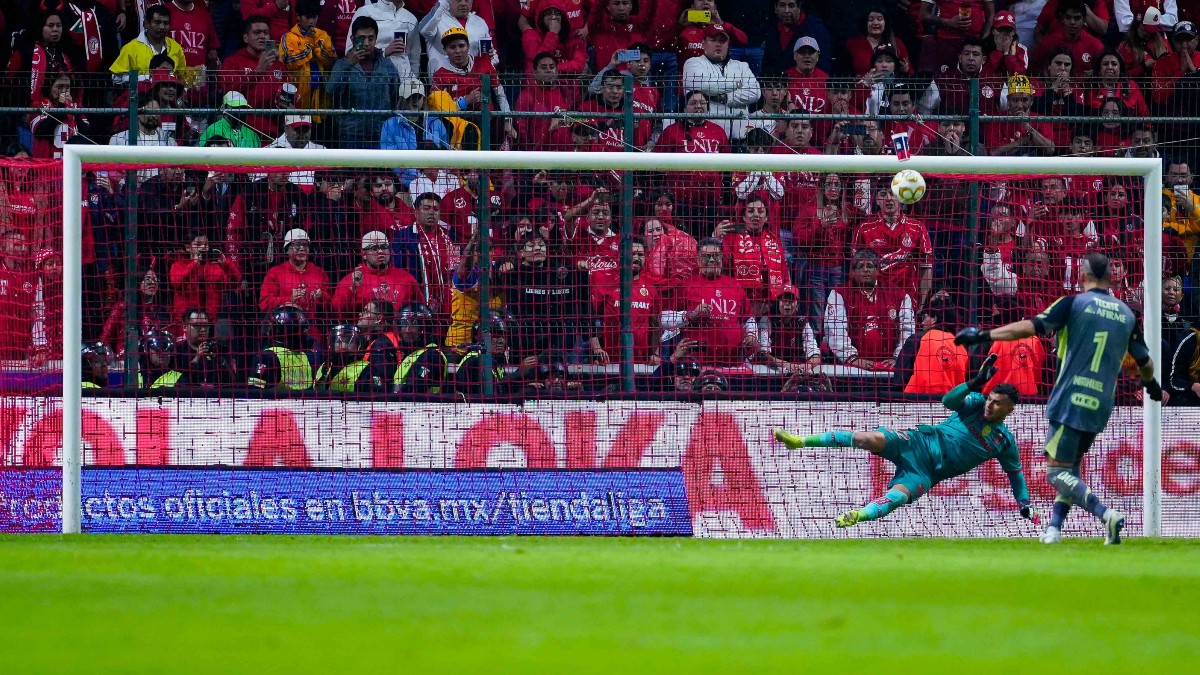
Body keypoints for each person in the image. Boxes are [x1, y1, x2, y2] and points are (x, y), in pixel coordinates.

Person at [955, 252, 1164, 544]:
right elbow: (1144, 361)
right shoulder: (1127, 314)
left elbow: (1028, 327)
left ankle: (1106, 514)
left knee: (1055, 473)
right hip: (1102, 404)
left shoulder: (1073, 303)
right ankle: (1053, 529)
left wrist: (983, 335)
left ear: (1082, 276)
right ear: (1110, 277)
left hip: (1070, 399)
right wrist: (1150, 383)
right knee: (1070, 469)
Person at [773, 358, 1039, 529]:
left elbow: (1015, 474)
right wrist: (973, 384)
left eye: (997, 403)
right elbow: (948, 401)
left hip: (927, 472)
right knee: (866, 438)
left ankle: (857, 515)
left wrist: (1024, 502)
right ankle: (800, 441)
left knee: (898, 497)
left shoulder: (1005, 442)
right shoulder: (976, 403)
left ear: (1009, 409)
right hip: (918, 441)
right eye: (990, 399)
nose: (990, 405)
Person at [670, 237, 758, 366]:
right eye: (707, 256)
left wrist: (751, 334)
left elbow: (748, 318)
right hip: (697, 364)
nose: (712, 260)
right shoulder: (686, 286)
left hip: (733, 362)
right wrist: (691, 314)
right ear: (698, 259)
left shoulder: (735, 286)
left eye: (716, 256)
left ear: (722, 258)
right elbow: (665, 319)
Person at [824, 250, 915, 372]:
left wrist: (898, 358)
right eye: (861, 266)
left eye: (870, 266)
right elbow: (835, 330)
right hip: (852, 369)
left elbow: (908, 330)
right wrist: (852, 358)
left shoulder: (898, 295)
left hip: (890, 367)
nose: (865, 270)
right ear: (853, 272)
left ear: (877, 270)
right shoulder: (839, 294)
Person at [328, 16, 401, 149]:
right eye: (362, 38)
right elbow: (331, 91)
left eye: (371, 38)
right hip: (351, 133)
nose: (366, 43)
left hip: (381, 132)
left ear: (376, 39)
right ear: (353, 39)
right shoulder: (342, 64)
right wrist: (348, 64)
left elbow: (395, 94)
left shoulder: (386, 65)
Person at [682, 24, 760, 142]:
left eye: (722, 41)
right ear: (703, 43)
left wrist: (725, 98)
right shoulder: (693, 63)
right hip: (708, 139)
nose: (718, 44)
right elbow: (703, 85)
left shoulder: (741, 66)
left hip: (740, 138)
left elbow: (755, 93)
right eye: (713, 40)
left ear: (728, 45)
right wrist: (737, 83)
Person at [331, 231, 423, 319]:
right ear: (364, 254)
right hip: (366, 330)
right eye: (374, 248)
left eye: (384, 247)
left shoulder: (406, 278)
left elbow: (421, 309)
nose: (380, 251)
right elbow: (338, 312)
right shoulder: (352, 279)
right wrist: (352, 288)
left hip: (399, 329)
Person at [367, 301, 448, 393]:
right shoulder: (410, 353)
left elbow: (414, 389)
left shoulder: (431, 355)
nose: (407, 330)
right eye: (404, 324)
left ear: (425, 327)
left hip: (418, 402)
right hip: (398, 401)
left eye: (414, 325)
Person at [895, 300, 970, 394]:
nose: (922, 323)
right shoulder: (961, 347)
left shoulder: (918, 339)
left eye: (925, 317)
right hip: (951, 401)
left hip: (917, 400)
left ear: (934, 318)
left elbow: (901, 377)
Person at [280, 0, 338, 115]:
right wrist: (309, 45)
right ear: (298, 16)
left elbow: (333, 61)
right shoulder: (288, 37)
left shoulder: (323, 35)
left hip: (320, 92)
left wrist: (317, 48)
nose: (311, 21)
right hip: (298, 92)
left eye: (314, 17)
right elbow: (289, 61)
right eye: (307, 17)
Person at [259, 228, 330, 319]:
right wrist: (289, 300)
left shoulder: (319, 273)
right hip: (285, 325)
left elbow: (332, 304)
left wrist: (321, 296)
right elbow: (264, 303)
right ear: (287, 249)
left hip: (314, 325)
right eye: (297, 245)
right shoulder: (275, 273)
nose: (302, 248)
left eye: (305, 245)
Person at [109, 4, 186, 85]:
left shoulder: (176, 47)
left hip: (169, 92)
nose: (162, 27)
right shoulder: (131, 48)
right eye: (157, 22)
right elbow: (116, 78)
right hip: (140, 92)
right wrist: (148, 78)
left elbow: (182, 77)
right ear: (146, 23)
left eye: (166, 23)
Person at [345, 0, 421, 79]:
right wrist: (384, 52)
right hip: (370, 80)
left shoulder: (411, 18)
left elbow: (414, 59)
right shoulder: (366, 12)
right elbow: (350, 52)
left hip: (404, 80)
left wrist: (412, 80)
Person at [248, 305, 318, 390]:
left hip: (276, 399)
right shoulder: (306, 357)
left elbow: (254, 391)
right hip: (304, 399)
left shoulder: (267, 357)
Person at [172, 307, 236, 386]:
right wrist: (197, 358)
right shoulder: (177, 352)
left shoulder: (220, 350)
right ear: (185, 327)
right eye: (197, 326)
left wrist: (221, 361)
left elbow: (232, 380)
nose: (203, 330)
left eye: (206, 325)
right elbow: (178, 383)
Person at [315, 324, 370, 393]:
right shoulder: (325, 366)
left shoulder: (365, 368)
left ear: (358, 345)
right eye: (338, 341)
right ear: (332, 344)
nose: (343, 345)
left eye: (349, 341)